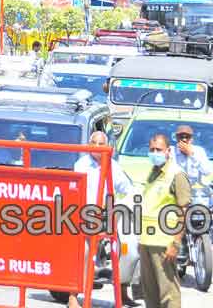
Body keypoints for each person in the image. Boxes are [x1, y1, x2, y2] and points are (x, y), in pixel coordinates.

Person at [69, 131, 138, 308]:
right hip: (86, 216)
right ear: (89, 144)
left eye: (102, 144)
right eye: (95, 143)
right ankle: (73, 296)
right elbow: (75, 193)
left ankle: (122, 290)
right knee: (81, 252)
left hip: (110, 216)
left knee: (129, 249)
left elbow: (128, 190)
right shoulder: (81, 165)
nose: (98, 148)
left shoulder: (114, 166)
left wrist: (118, 208)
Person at [138, 133, 191, 308]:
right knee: (150, 292)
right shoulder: (152, 172)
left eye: (158, 150)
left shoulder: (176, 174)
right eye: (152, 149)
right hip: (146, 241)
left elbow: (183, 211)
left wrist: (175, 243)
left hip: (164, 243)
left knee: (168, 293)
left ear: (168, 151)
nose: (154, 153)